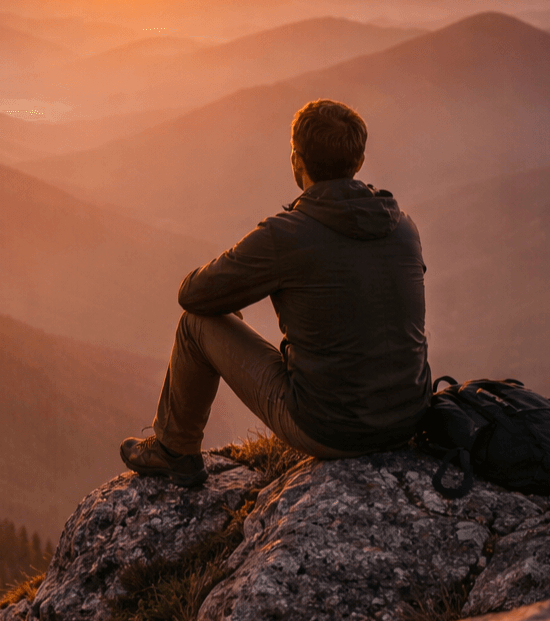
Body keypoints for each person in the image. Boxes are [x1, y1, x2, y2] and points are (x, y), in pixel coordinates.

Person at [121, 98, 432, 486]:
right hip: (411, 419)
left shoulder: (286, 235)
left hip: (329, 429)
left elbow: (193, 295)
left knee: (196, 324)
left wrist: (233, 292)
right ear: (359, 162)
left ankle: (174, 449)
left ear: (296, 161)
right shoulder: (404, 227)